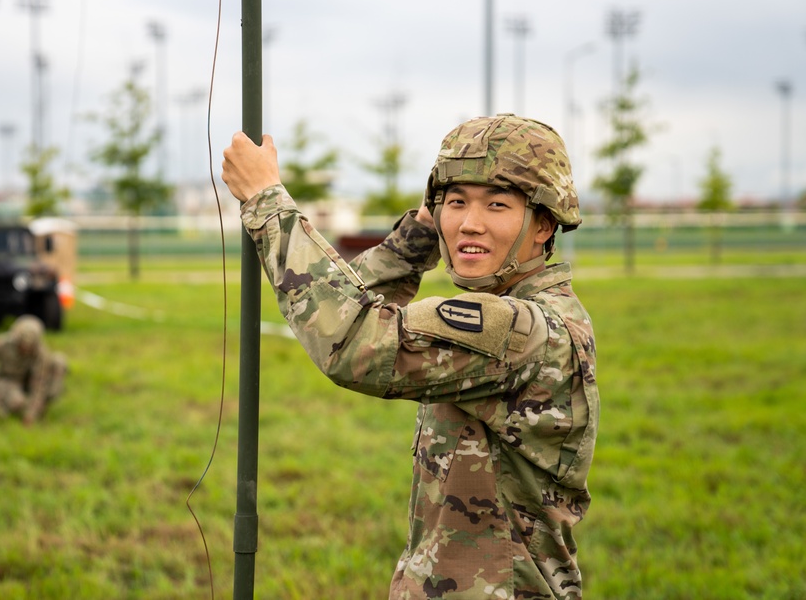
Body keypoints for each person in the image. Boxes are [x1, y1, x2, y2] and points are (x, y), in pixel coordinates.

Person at [222, 113, 598, 599]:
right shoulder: (524, 311)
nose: (470, 223)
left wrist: (266, 201)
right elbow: (353, 298)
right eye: (455, 203)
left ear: (544, 224)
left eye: (498, 205)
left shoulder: (523, 329)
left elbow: (351, 341)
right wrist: (422, 232)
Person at [0, 314, 67, 425]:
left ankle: (40, 406)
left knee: (58, 362)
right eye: (22, 345)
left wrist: (31, 414)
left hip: (29, 382)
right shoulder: (2, 343)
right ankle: (14, 404)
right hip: (8, 381)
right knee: (17, 403)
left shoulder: (41, 353)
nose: (26, 350)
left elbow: (39, 384)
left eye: (30, 347)